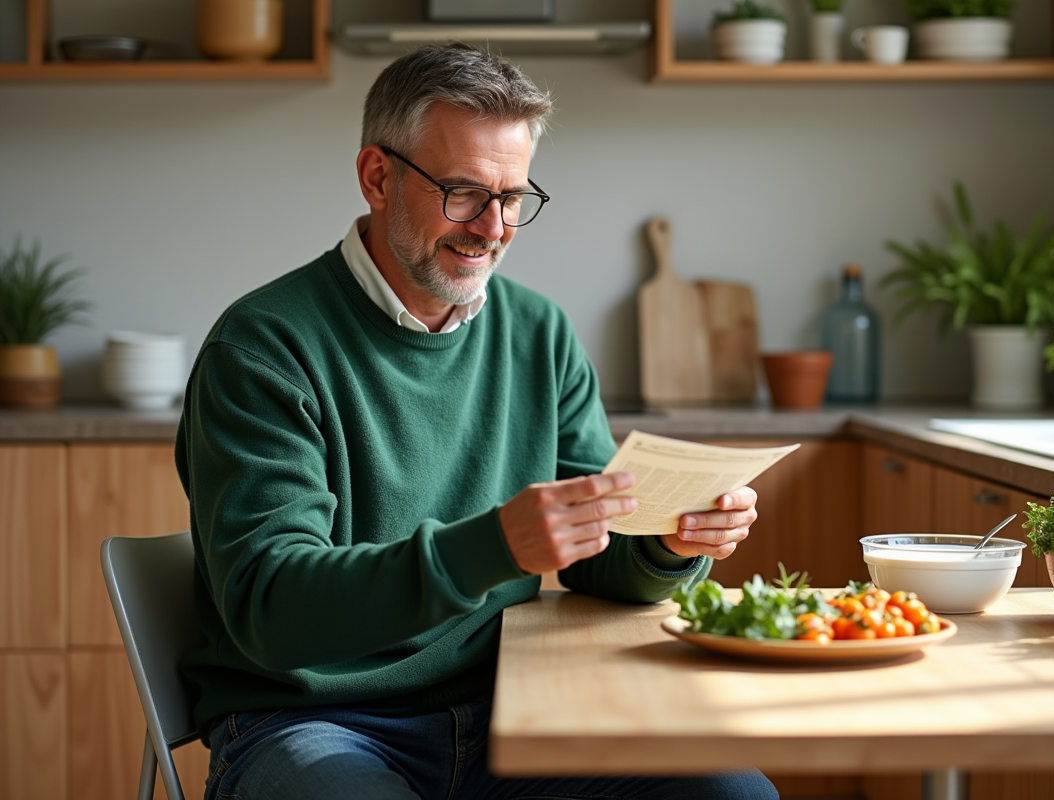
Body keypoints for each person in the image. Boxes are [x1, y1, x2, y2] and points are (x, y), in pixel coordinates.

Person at [176, 42, 777, 800]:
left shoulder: (539, 334)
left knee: (734, 795)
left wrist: (664, 543)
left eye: (514, 197)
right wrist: (492, 546)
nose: (492, 227)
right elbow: (272, 609)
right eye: (463, 192)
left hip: (508, 710)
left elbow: (599, 561)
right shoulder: (265, 346)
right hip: (313, 720)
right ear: (376, 177)